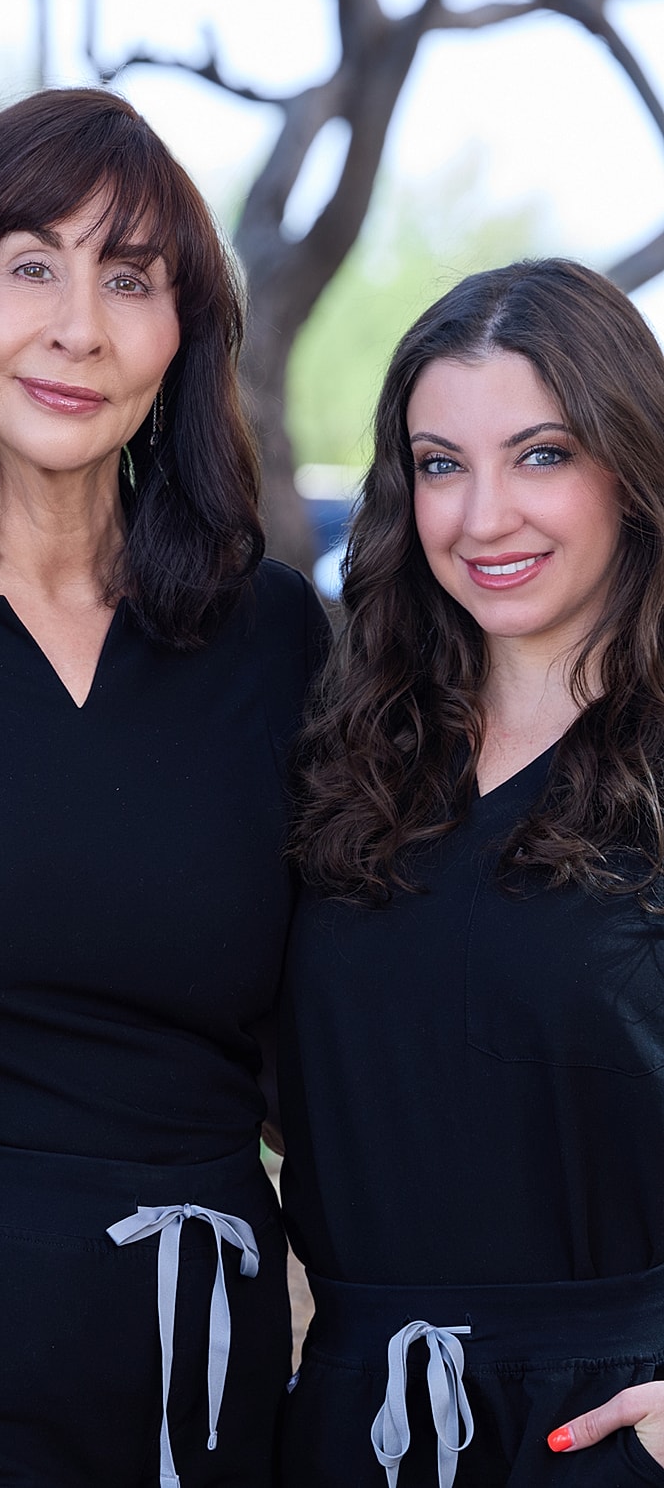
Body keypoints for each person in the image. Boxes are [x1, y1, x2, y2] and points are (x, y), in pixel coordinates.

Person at [0, 86, 327, 1488]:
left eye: (132, 278)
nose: (81, 327)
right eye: (34, 266)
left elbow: (390, 1017)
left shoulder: (275, 640)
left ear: (184, 337)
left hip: (217, 1372)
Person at [277, 257, 664, 1487]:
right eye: (441, 463)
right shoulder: (347, 752)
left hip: (606, 1436)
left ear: (632, 466)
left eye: (541, 455)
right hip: (354, 1425)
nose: (481, 515)